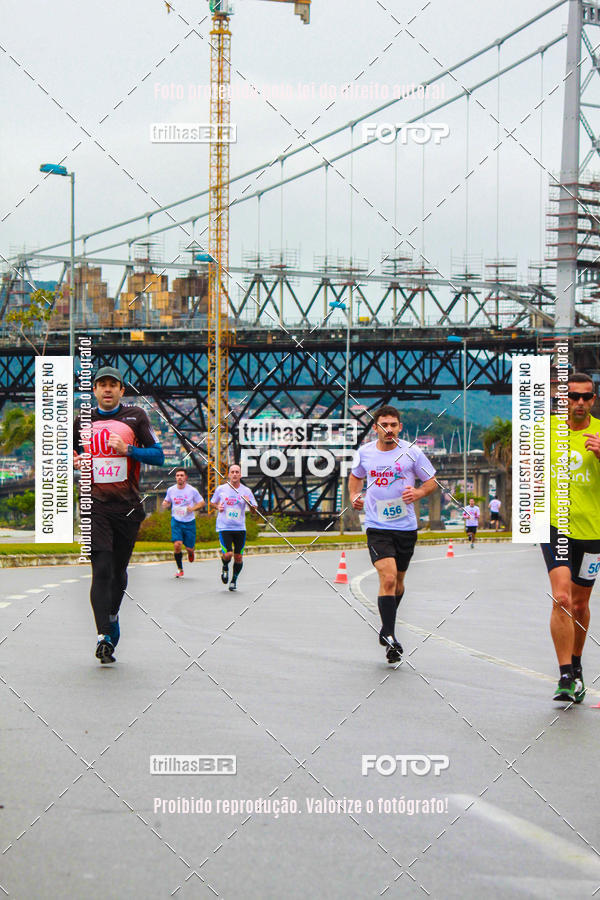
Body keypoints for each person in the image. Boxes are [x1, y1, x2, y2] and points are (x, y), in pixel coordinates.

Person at [73, 367, 165, 664]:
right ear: (95, 391)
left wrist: (128, 450)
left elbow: (159, 455)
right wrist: (74, 461)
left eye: (113, 385)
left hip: (126, 507)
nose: (108, 389)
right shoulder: (81, 421)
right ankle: (103, 636)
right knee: (100, 569)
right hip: (93, 505)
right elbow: (70, 456)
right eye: (102, 385)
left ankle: (112, 615)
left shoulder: (136, 416)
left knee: (118, 572)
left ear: (121, 390)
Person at [348, 405, 438, 663]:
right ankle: (390, 637)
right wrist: (355, 496)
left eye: (393, 425)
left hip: (405, 527)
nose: (389, 429)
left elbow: (431, 480)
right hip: (377, 526)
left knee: (398, 583)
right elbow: (355, 478)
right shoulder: (364, 453)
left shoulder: (412, 452)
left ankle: (386, 627)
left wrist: (419, 493)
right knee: (387, 578)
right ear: (375, 428)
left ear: (399, 427)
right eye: (383, 425)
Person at [541, 371, 600, 703]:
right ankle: (565, 674)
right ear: (563, 399)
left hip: (593, 530)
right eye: (572, 396)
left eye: (585, 396)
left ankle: (576, 664)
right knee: (562, 598)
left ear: (593, 399)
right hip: (554, 525)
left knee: (580, 604)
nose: (579, 402)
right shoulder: (545, 432)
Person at [211, 463, 258, 592]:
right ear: (229, 474)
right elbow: (213, 502)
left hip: (240, 528)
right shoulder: (221, 489)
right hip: (224, 526)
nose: (235, 474)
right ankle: (225, 566)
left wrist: (249, 503)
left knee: (238, 557)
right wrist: (218, 507)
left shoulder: (246, 491)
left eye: (237, 472)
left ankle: (234, 580)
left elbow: (254, 510)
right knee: (228, 554)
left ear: (240, 475)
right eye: (232, 472)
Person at [162, 468, 205, 577]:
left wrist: (193, 508)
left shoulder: (192, 490)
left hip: (189, 521)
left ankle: (191, 552)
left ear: (186, 477)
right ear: (175, 477)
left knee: (189, 548)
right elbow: (167, 501)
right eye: (177, 475)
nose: (179, 477)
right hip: (176, 520)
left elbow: (202, 502)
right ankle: (180, 568)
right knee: (177, 544)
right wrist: (165, 503)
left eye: (182, 475)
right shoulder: (171, 490)